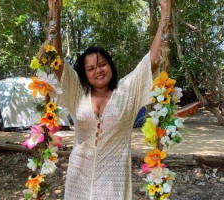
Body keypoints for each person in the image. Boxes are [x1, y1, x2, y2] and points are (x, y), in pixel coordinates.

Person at [51, 0, 168, 199]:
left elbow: (153, 60)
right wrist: (55, 15)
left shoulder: (126, 91)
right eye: (91, 68)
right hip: (79, 174)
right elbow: (57, 62)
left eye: (102, 64)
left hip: (113, 179)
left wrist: (166, 11)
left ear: (110, 66)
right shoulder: (77, 92)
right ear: (85, 74)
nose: (98, 70)